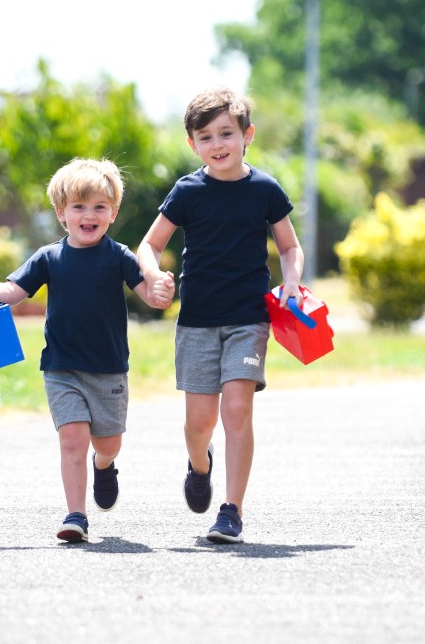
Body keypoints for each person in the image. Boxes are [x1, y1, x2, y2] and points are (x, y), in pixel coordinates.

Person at [0, 158, 172, 543]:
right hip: (61, 367)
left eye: (98, 207)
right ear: (61, 213)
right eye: (78, 207)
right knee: (72, 438)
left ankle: (104, 466)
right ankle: (76, 515)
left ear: (112, 212)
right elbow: (14, 292)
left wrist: (159, 292)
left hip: (108, 369)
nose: (88, 215)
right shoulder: (48, 257)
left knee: (108, 442)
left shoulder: (119, 255)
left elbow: (148, 296)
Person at [137, 86, 304, 544]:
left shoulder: (265, 189)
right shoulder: (188, 191)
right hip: (196, 320)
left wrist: (291, 282)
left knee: (236, 410)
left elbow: (290, 247)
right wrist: (153, 276)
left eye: (226, 133)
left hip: (249, 319)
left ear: (247, 134)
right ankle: (199, 464)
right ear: (193, 144)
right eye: (206, 137)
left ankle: (231, 511)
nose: (218, 145)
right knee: (199, 422)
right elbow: (149, 245)